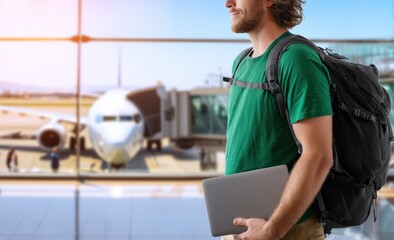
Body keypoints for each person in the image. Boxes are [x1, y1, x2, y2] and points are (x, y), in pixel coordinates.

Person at [223, 0, 333, 239]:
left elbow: (318, 155)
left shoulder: (296, 59)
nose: (228, 3)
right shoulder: (241, 62)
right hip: (241, 227)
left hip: (286, 230)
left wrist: (272, 230)